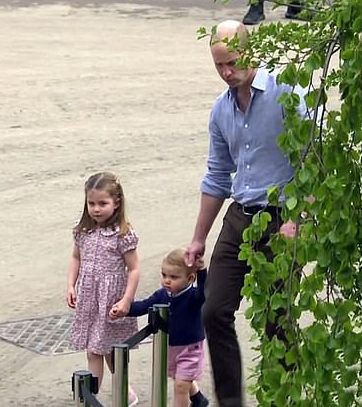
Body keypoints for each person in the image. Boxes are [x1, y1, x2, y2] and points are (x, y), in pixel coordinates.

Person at [185, 20, 307, 407]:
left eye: (232, 63)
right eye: (218, 65)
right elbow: (217, 175)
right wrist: (199, 238)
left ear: (250, 52)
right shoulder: (221, 110)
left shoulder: (286, 91)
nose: (226, 72)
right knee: (214, 309)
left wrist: (298, 218)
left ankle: (282, 397)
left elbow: (312, 162)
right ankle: (231, 401)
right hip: (240, 215)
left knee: (277, 317)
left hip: (282, 216)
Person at [67, 171, 140, 406]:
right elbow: (76, 258)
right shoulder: (83, 232)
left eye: (103, 203)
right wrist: (71, 284)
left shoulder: (122, 234)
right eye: (91, 203)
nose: (96, 209)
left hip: (110, 301)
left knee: (107, 351)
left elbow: (134, 269)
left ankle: (103, 395)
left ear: (116, 203)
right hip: (90, 299)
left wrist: (126, 300)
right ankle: (99, 395)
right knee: (95, 349)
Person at [110, 249, 209, 407]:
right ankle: (198, 398)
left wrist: (202, 270)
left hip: (191, 348)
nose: (167, 281)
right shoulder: (161, 295)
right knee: (179, 377)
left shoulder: (193, 297)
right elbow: (144, 306)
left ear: (190, 278)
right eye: (164, 275)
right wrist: (124, 309)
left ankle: (192, 400)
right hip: (170, 346)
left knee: (181, 385)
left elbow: (205, 293)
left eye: (173, 277)